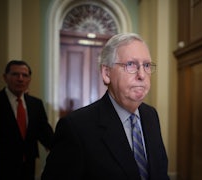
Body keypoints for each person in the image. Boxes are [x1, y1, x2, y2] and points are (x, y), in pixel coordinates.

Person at [41, 33, 169, 180]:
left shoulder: (151, 115)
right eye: (131, 65)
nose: (142, 74)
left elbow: (160, 173)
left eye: (146, 65)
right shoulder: (75, 127)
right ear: (106, 73)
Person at [0, 60, 54, 180]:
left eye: (25, 75)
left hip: (28, 168)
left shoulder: (36, 104)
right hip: (1, 168)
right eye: (15, 74)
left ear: (29, 79)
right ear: (5, 77)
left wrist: (62, 148)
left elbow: (46, 134)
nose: (20, 79)